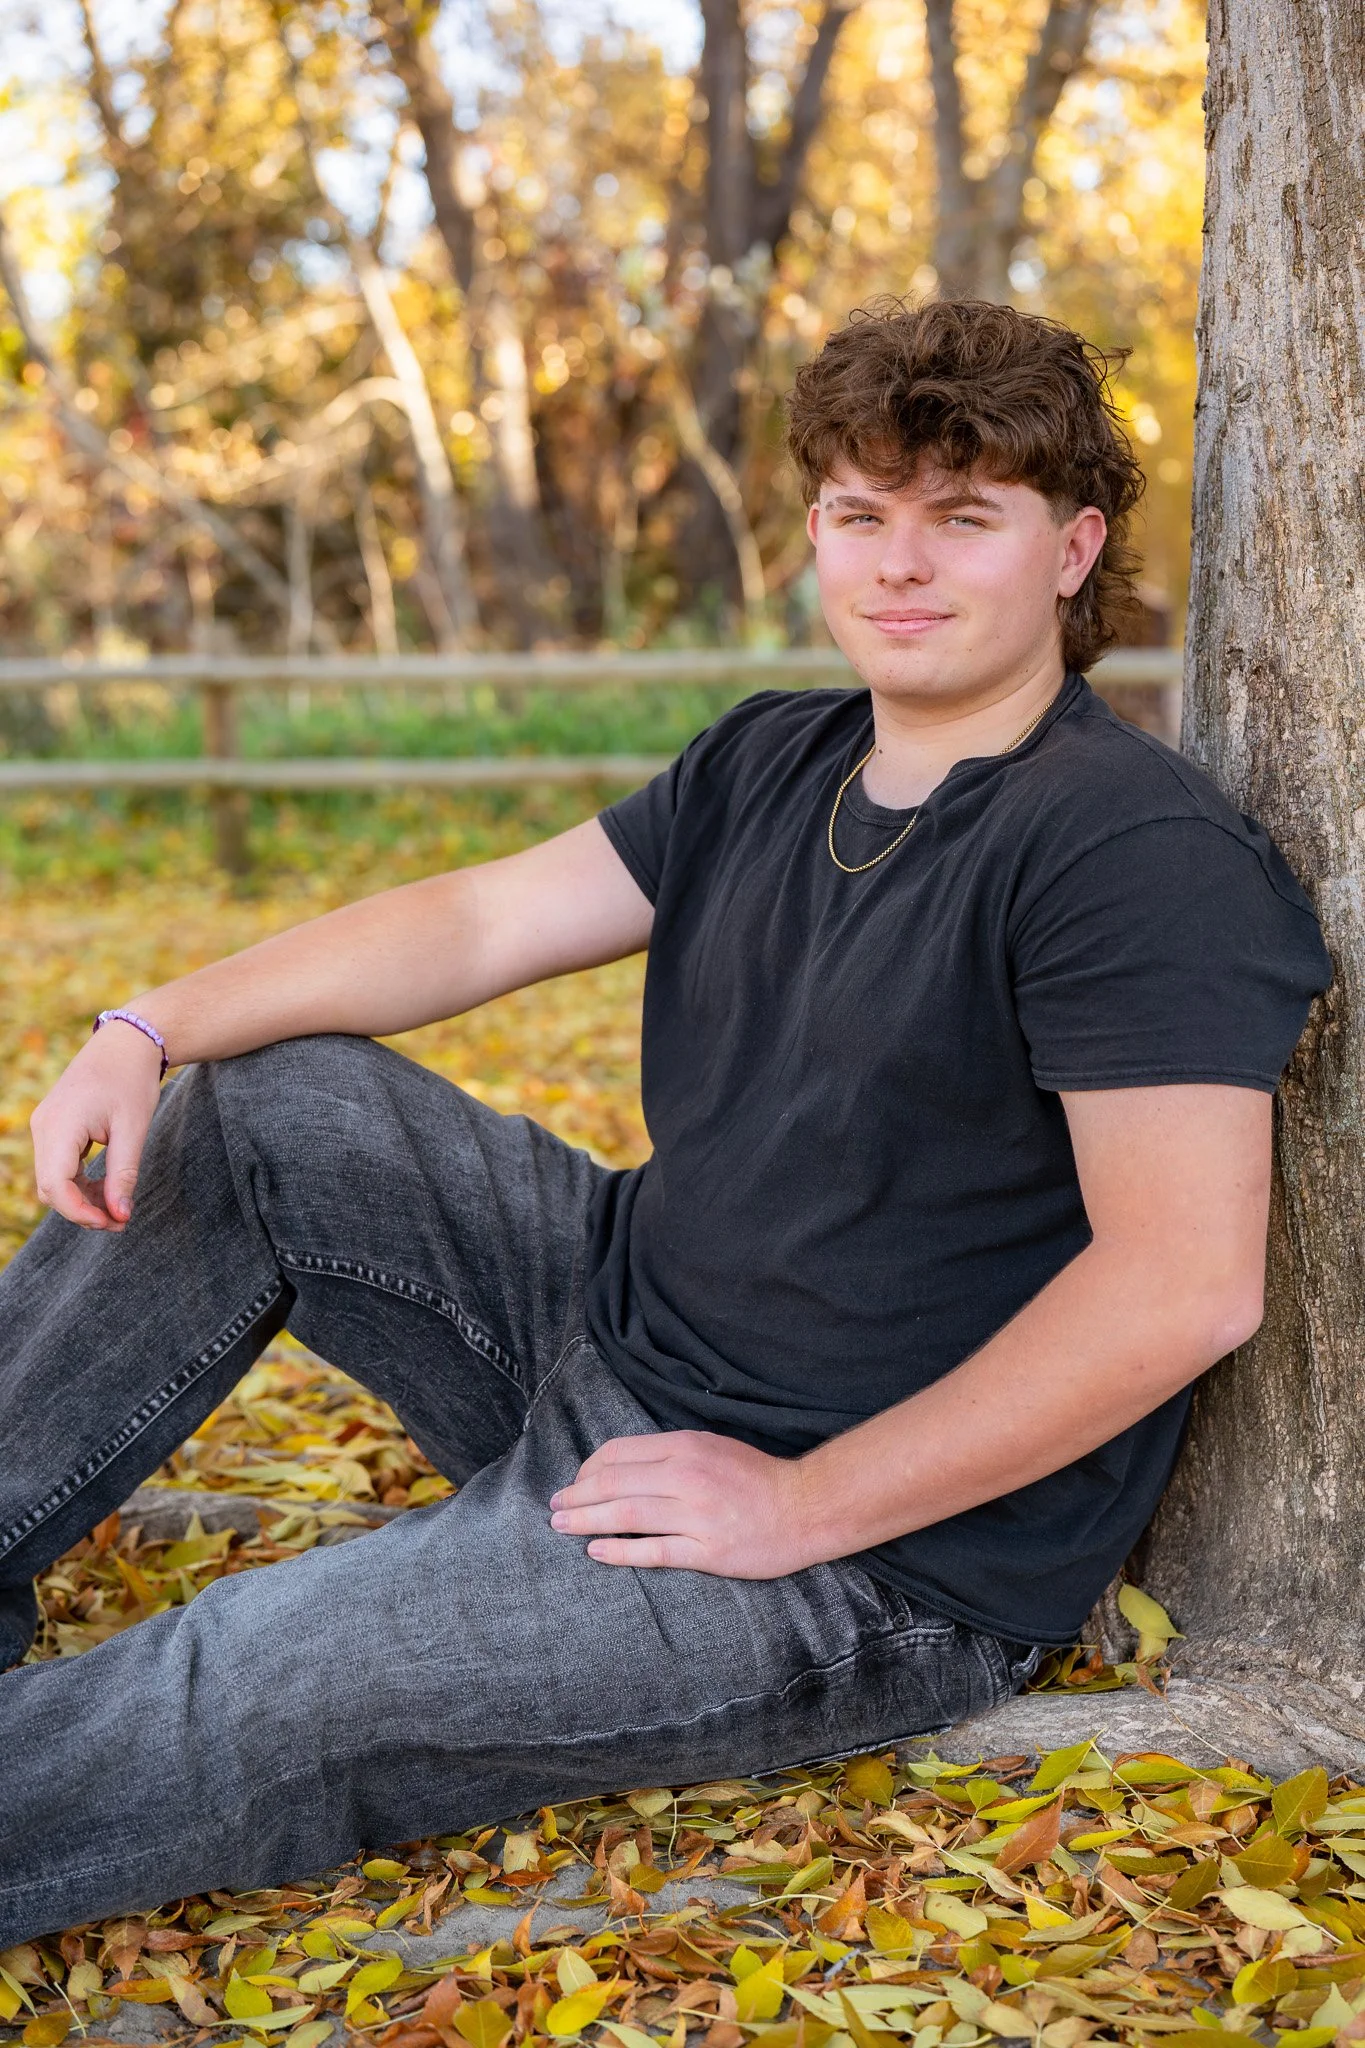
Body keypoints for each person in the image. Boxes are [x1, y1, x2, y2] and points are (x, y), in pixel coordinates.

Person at [0, 299, 1330, 1942]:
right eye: (861, 515)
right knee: (269, 1102)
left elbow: (1184, 1283)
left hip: (853, 1553)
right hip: (612, 1333)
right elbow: (484, 921)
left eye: (961, 518)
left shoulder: (1128, 852)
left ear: (1072, 547)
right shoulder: (782, 756)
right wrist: (149, 1022)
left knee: (237, 1675)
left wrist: (807, 1506)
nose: (898, 565)